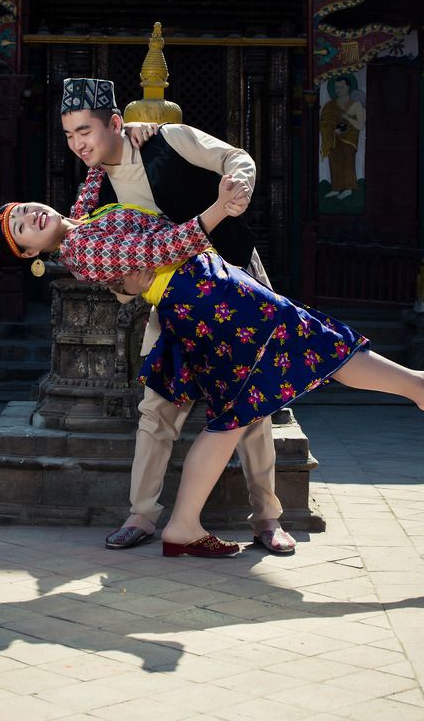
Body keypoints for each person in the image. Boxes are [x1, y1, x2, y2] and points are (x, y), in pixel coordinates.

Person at [0, 186, 424, 559]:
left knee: (239, 404)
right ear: (31, 254)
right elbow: (162, 247)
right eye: (22, 228)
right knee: (304, 338)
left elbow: (90, 181)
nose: (30, 216)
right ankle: (421, 387)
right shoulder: (82, 249)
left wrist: (121, 133)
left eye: (25, 209)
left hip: (200, 290)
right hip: (201, 290)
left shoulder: (80, 224)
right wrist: (219, 208)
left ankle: (184, 525)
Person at [59, 77, 291, 555]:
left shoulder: (166, 140)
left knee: (253, 402)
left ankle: (267, 517)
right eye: (69, 135)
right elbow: (118, 282)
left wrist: (238, 189)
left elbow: (236, 158)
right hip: (174, 302)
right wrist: (129, 284)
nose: (78, 144)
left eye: (85, 130)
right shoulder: (94, 197)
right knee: (157, 408)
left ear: (115, 123)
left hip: (234, 281)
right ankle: (141, 514)